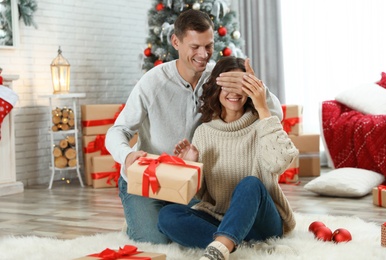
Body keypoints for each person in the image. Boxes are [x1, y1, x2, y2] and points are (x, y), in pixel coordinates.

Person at [105, 9, 283, 245]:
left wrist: (257, 87)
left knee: (192, 225)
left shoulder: (217, 78)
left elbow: (275, 114)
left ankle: (227, 240)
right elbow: (118, 131)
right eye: (195, 47)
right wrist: (126, 156)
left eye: (208, 46)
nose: (203, 54)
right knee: (156, 239)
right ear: (176, 42)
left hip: (190, 179)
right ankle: (142, 219)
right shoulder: (152, 81)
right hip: (149, 180)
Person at [157, 56, 298, 260]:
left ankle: (221, 247)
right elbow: (197, 195)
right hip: (220, 220)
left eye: (240, 85)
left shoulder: (263, 123)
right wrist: (190, 166)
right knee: (167, 216)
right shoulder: (204, 132)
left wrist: (263, 107)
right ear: (216, 88)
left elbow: (280, 162)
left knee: (250, 184)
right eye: (227, 85)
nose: (233, 92)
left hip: (262, 223)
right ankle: (235, 247)